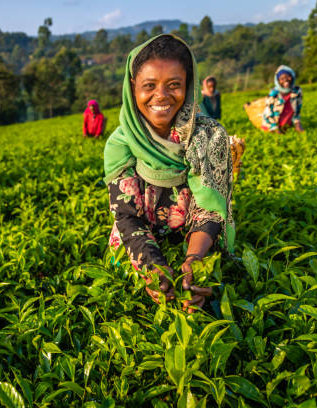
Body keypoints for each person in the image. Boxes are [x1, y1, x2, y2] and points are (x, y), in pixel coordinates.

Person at [104, 35, 235, 313]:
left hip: (194, 231)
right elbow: (127, 216)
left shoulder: (209, 135)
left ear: (188, 87)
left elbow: (210, 209)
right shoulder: (121, 143)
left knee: (206, 279)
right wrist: (154, 268)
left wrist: (196, 259)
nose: (161, 96)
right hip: (140, 233)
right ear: (132, 88)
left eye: (174, 85)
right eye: (149, 86)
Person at [262, 65, 304, 133]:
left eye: (288, 76)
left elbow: (298, 108)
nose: (286, 80)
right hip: (271, 124)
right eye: (282, 79)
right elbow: (268, 112)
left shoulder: (297, 91)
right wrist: (274, 127)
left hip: (287, 124)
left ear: (292, 77)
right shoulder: (274, 93)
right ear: (278, 81)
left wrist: (297, 123)